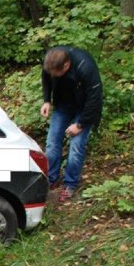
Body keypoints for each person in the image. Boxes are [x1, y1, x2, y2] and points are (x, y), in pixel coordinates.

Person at [40, 46, 103, 202]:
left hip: (84, 108)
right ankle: (51, 179)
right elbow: (46, 78)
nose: (53, 75)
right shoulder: (51, 61)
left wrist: (80, 125)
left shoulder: (85, 66)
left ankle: (70, 184)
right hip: (63, 105)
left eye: (56, 73)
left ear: (66, 66)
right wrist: (47, 100)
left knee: (76, 146)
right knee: (52, 143)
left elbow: (95, 99)